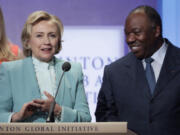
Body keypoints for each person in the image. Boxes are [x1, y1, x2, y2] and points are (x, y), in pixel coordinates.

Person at [95, 5, 180, 135]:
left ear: (156, 31)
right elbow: (104, 116)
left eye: (136, 32)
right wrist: (120, 132)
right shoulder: (114, 72)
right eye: (127, 34)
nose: (130, 39)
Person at [0, 10, 91, 122]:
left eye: (52, 35)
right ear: (27, 41)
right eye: (39, 36)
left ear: (58, 41)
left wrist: (58, 110)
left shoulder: (73, 70)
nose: (46, 41)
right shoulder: (10, 70)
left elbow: (85, 119)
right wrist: (17, 116)